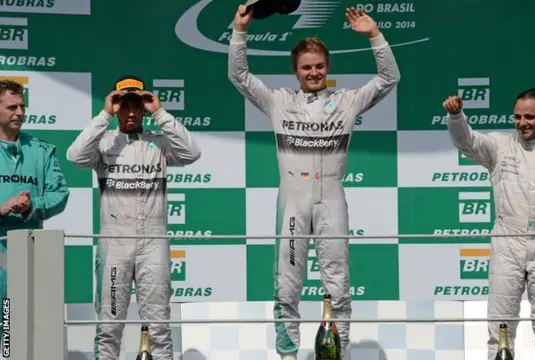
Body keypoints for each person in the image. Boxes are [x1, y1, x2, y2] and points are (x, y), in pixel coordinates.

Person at [228, 5, 400, 360]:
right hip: (293, 201)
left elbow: (388, 78)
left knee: (338, 281)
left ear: (328, 67)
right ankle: (288, 354)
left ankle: (339, 351)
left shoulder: (347, 101)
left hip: (332, 200)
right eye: (306, 67)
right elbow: (240, 76)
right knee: (288, 282)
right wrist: (240, 31)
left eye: (319, 66)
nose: (314, 72)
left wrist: (374, 35)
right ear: (295, 70)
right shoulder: (278, 101)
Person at [443, 88, 535, 360]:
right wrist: (456, 116)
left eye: (530, 117)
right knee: (500, 320)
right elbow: (468, 143)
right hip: (507, 241)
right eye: (518, 116)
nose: (522, 123)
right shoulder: (500, 146)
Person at [66, 76, 201, 360]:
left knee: (159, 325)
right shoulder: (103, 144)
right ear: (116, 106)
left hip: (154, 241)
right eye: (123, 105)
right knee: (109, 325)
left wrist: (160, 113)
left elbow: (192, 152)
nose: (130, 112)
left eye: (136, 105)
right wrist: (104, 114)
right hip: (115, 242)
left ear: (143, 108)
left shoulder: (160, 144)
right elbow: (75, 156)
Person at [0, 78, 69, 301]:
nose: (20, 113)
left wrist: (32, 206)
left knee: (20, 324)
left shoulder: (40, 150)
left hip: (27, 252)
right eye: (12, 107)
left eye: (22, 106)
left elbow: (59, 193)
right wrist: (3, 208)